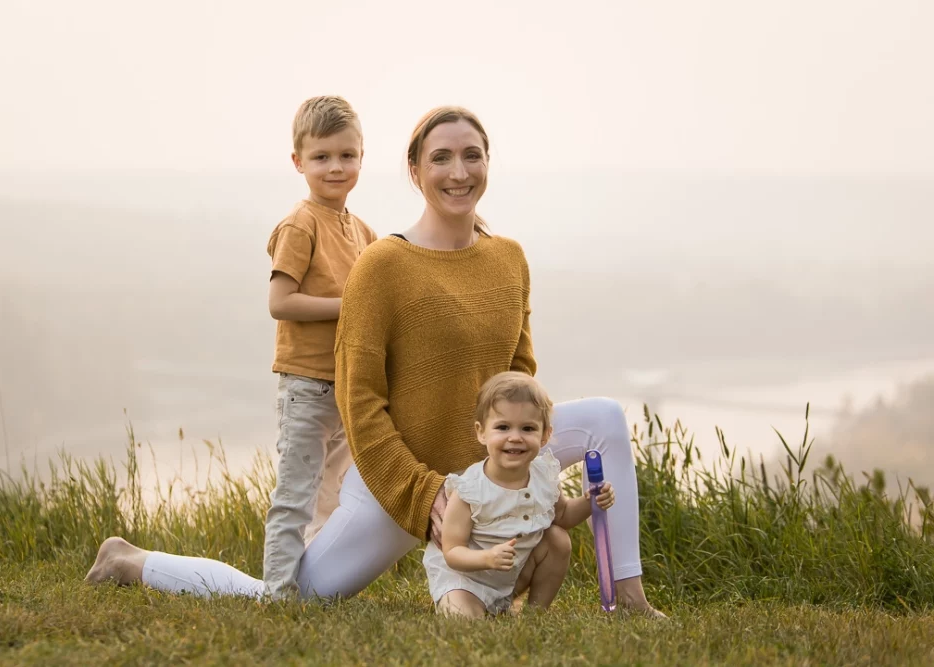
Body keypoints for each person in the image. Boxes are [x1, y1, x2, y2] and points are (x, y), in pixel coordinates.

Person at [85, 105, 664, 618]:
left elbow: (520, 380)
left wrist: (516, 481)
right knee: (291, 598)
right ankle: (132, 560)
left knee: (605, 420)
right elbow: (359, 405)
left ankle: (629, 597)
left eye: (471, 156)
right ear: (415, 172)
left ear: (489, 162)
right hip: (397, 478)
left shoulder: (509, 259)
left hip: (482, 467)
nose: (458, 172)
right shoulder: (382, 265)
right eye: (441, 158)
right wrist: (423, 495)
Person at [262, 95, 378, 599]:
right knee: (296, 495)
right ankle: (278, 592)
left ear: (361, 157)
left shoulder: (362, 230)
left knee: (332, 496)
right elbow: (280, 302)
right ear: (298, 162)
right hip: (307, 385)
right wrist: (348, 306)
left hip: (349, 386)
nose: (336, 167)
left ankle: (317, 587)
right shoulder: (300, 224)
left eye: (346, 155)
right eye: (322, 157)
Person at [428, 372, 615, 619]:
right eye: (503, 427)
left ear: (545, 435)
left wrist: (591, 500)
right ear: (481, 432)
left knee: (557, 539)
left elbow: (563, 516)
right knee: (465, 620)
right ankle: (469, 606)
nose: (515, 437)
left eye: (527, 428)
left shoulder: (543, 476)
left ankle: (534, 614)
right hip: (467, 579)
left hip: (511, 576)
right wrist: (487, 557)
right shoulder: (469, 489)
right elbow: (452, 552)